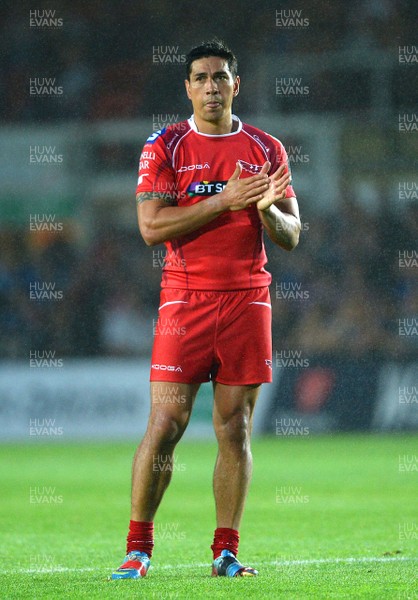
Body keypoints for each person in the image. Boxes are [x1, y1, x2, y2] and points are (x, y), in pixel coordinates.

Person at [111, 38, 300, 580]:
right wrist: (223, 199)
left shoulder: (268, 148)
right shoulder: (165, 145)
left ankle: (226, 552)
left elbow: (291, 235)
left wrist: (266, 211)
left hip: (247, 301)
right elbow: (151, 228)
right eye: (202, 78)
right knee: (166, 422)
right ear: (188, 87)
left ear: (236, 85)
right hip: (184, 301)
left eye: (221, 77)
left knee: (235, 430)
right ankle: (138, 549)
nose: (212, 86)